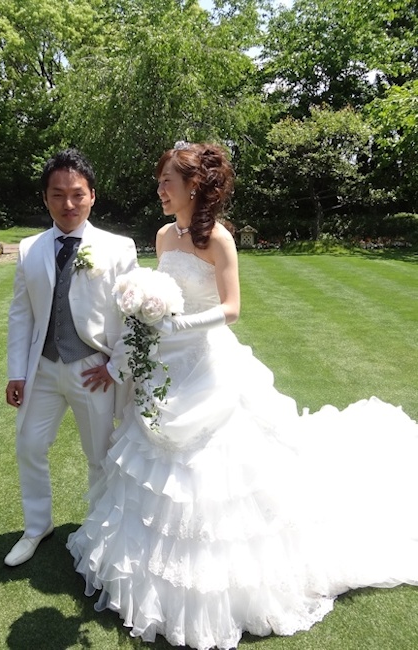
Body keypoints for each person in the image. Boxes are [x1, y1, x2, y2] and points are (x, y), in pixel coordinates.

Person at [67, 142, 418, 650]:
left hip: (207, 363)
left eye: (168, 181)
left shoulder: (219, 239)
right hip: (165, 365)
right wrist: (139, 333)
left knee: (217, 466)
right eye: (160, 181)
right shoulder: (163, 236)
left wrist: (179, 323)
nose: (160, 189)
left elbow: (232, 309)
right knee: (152, 457)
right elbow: (155, 302)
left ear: (194, 186)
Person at [4, 148, 138, 567]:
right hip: (42, 368)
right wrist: (16, 372)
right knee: (29, 445)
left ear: (92, 195)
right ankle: (36, 526)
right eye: (58, 194)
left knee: (99, 454)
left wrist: (115, 366)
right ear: (45, 197)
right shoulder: (29, 248)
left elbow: (134, 317)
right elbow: (21, 313)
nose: (68, 204)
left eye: (77, 194)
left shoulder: (118, 248)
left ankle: (98, 532)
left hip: (91, 369)